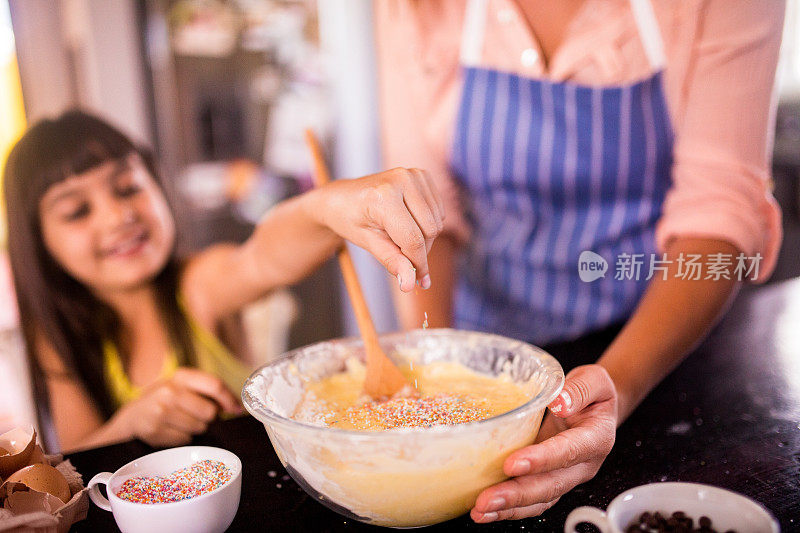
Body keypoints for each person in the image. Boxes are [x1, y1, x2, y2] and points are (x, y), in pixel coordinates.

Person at [375, 0, 784, 523]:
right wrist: (428, 364)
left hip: (651, 355)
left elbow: (718, 213)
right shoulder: (415, 8)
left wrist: (617, 386)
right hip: (477, 358)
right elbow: (422, 202)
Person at [3, 110, 443, 452]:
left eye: (127, 187)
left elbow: (265, 257)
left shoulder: (198, 286)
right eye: (78, 211)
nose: (119, 216)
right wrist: (131, 425)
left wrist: (326, 208)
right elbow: (78, 461)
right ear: (39, 243)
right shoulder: (54, 338)